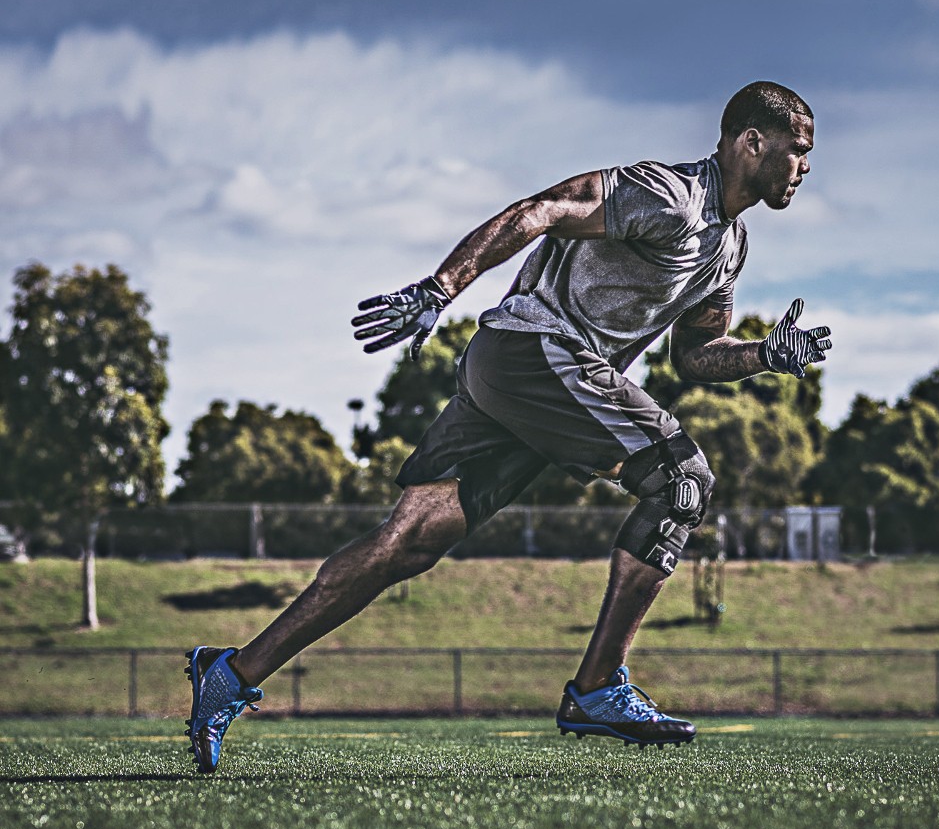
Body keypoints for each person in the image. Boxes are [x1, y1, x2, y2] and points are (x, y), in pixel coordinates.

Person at [185, 80, 832, 773]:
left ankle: (231, 672)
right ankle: (596, 688)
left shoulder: (728, 247)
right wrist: (439, 288)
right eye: (798, 150)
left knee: (407, 543)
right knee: (682, 481)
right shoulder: (668, 195)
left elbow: (695, 354)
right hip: (530, 353)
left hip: (529, 386)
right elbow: (542, 210)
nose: (805, 167)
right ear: (752, 142)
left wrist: (764, 355)